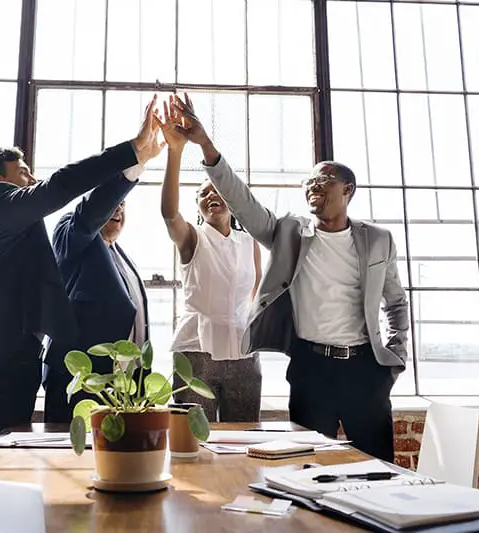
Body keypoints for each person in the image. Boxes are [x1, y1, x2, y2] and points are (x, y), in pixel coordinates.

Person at [170, 93, 409, 461]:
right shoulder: (289, 233)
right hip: (311, 369)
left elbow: (395, 302)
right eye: (309, 181)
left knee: (377, 468)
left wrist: (394, 358)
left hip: (366, 370)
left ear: (347, 190)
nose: (314, 185)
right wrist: (205, 144)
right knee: (307, 468)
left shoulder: (377, 240)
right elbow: (243, 201)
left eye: (324, 179)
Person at [0, 96, 164, 447]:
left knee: (4, 464)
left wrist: (138, 163)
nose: (32, 178)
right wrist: (132, 150)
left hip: (13, 364)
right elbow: (61, 187)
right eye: (23, 172)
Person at [42, 101, 165, 423]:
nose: (118, 209)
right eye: (113, 204)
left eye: (124, 206)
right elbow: (90, 212)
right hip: (82, 380)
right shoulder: (73, 233)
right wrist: (135, 163)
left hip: (124, 388)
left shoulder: (120, 255)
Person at [157, 97, 262, 422]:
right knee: (191, 439)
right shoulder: (192, 238)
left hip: (243, 351)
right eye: (204, 193)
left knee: (244, 435)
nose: (212, 195)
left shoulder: (250, 243)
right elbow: (168, 213)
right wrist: (176, 152)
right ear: (199, 205)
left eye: (217, 189)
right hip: (196, 349)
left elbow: (255, 294)